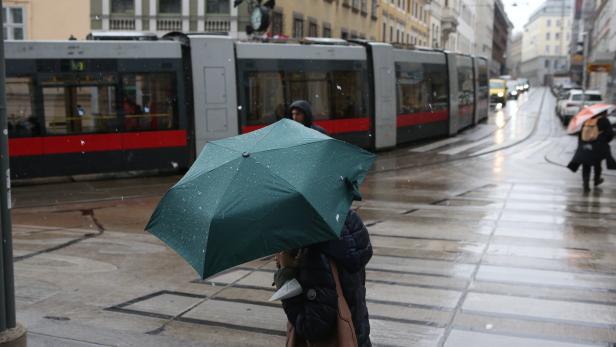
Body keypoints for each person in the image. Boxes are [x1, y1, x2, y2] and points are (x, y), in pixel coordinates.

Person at [274, 209, 372, 347]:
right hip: (358, 337)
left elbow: (312, 326)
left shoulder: (315, 252)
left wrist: (286, 275)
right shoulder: (346, 223)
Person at [568, 110, 615, 192]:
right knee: (597, 163)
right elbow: (610, 134)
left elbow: (580, 134)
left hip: (585, 146)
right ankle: (596, 180)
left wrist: (582, 144)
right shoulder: (604, 121)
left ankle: (586, 183)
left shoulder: (586, 120)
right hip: (598, 146)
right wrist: (604, 141)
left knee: (586, 165)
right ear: (603, 113)